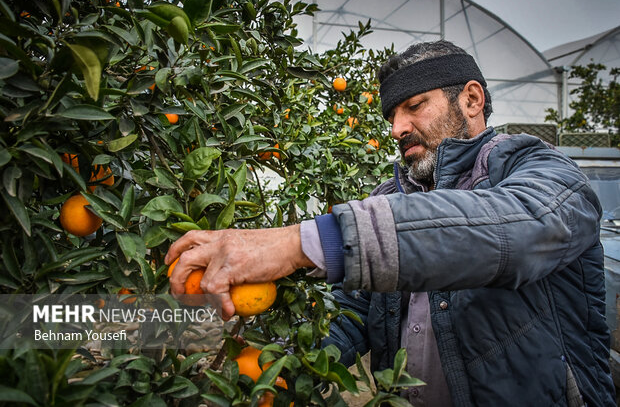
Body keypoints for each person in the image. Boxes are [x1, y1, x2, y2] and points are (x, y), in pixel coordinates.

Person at [166, 40, 616, 406]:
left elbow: (514, 230)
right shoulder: (390, 197)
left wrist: (299, 243)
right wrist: (279, 368)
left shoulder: (542, 171)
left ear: (472, 99)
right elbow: (353, 314)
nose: (397, 128)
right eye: (391, 116)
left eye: (414, 106)